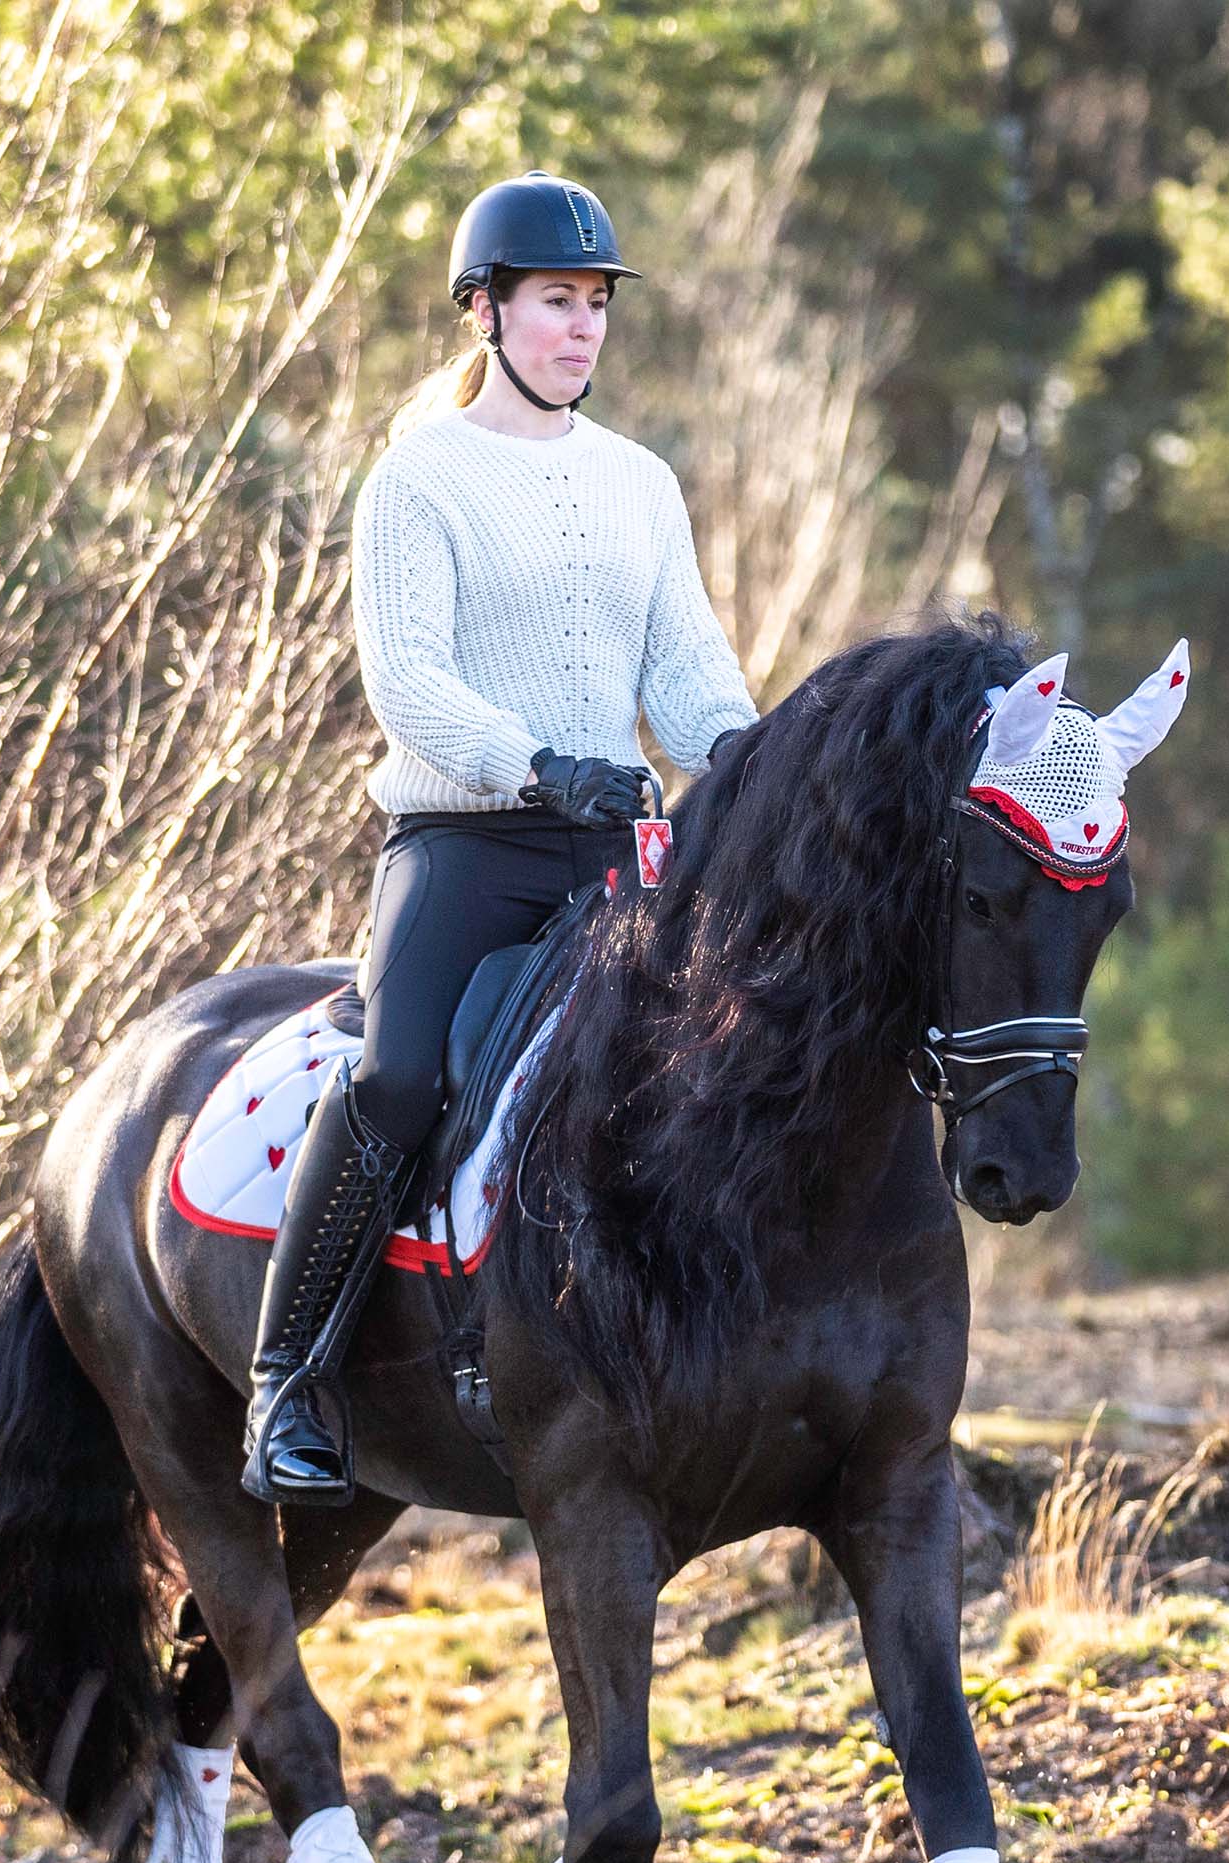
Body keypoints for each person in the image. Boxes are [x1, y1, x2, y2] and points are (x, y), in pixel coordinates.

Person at [242, 170, 760, 1506]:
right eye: (554, 304)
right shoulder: (417, 479)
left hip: (610, 860)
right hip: (465, 846)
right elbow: (403, 677)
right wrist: (533, 765)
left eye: (595, 306)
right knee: (401, 1079)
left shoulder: (641, 483)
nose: (582, 330)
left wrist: (751, 756)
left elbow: (690, 667)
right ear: (486, 311)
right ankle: (287, 1377)